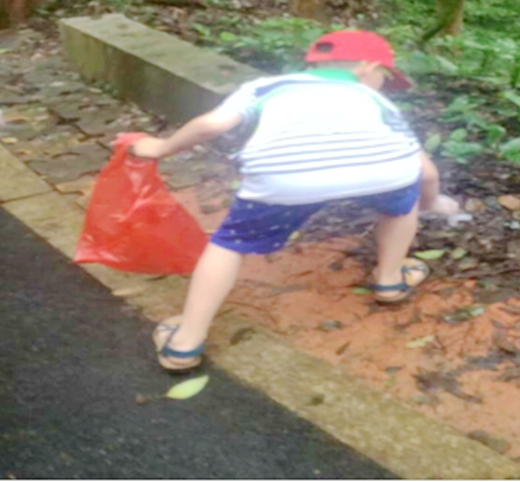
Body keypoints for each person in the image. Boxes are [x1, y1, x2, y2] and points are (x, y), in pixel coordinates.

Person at [130, 30, 459, 372]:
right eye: (386, 78)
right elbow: (426, 172)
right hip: (383, 172)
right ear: (369, 67)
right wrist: (431, 202)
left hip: (286, 179)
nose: (384, 87)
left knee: (229, 243)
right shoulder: (377, 101)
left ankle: (185, 344)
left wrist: (162, 147)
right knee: (402, 204)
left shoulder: (268, 87)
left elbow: (211, 125)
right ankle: (390, 280)